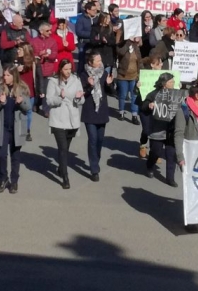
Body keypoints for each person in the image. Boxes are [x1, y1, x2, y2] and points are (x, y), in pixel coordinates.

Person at [0, 66, 31, 194]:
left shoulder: (22, 89)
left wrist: (20, 102)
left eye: (8, 75)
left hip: (16, 127)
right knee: (1, 155)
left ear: (14, 76)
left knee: (15, 156)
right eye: (4, 75)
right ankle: (3, 178)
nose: (5, 77)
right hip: (2, 127)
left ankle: (14, 181)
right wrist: (0, 103)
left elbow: (28, 107)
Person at [46, 58, 85, 189]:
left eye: (70, 69)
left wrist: (79, 97)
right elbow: (49, 101)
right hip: (58, 119)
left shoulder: (76, 80)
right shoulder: (53, 82)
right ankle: (65, 177)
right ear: (60, 69)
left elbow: (81, 100)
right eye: (65, 69)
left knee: (66, 149)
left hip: (72, 119)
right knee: (62, 148)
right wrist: (60, 98)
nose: (68, 72)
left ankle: (60, 168)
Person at [141, 72, 182, 185]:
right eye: (171, 82)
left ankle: (170, 178)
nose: (173, 83)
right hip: (157, 129)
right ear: (164, 84)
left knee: (171, 154)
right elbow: (144, 106)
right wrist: (149, 106)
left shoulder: (176, 94)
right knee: (156, 151)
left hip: (171, 130)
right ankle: (149, 166)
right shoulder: (154, 94)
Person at [80, 51, 113, 182]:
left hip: (102, 111)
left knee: (100, 140)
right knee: (92, 139)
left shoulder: (103, 73)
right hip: (90, 111)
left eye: (100, 60)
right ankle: (94, 169)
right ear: (90, 62)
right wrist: (89, 85)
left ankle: (96, 160)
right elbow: (83, 92)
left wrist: (110, 84)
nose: (100, 62)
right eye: (97, 61)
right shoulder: (84, 75)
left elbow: (111, 92)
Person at [116, 31, 143, 124]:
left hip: (134, 75)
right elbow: (120, 52)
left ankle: (134, 115)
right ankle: (121, 112)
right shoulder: (122, 44)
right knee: (123, 95)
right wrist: (128, 42)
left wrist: (141, 73)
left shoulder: (136, 47)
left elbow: (139, 61)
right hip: (123, 75)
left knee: (134, 95)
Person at [75, 1, 98, 72]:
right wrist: (91, 35)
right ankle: (80, 74)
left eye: (96, 10)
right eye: (93, 10)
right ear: (88, 10)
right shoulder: (81, 19)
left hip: (94, 43)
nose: (95, 12)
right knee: (82, 60)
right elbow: (79, 32)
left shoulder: (96, 18)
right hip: (83, 43)